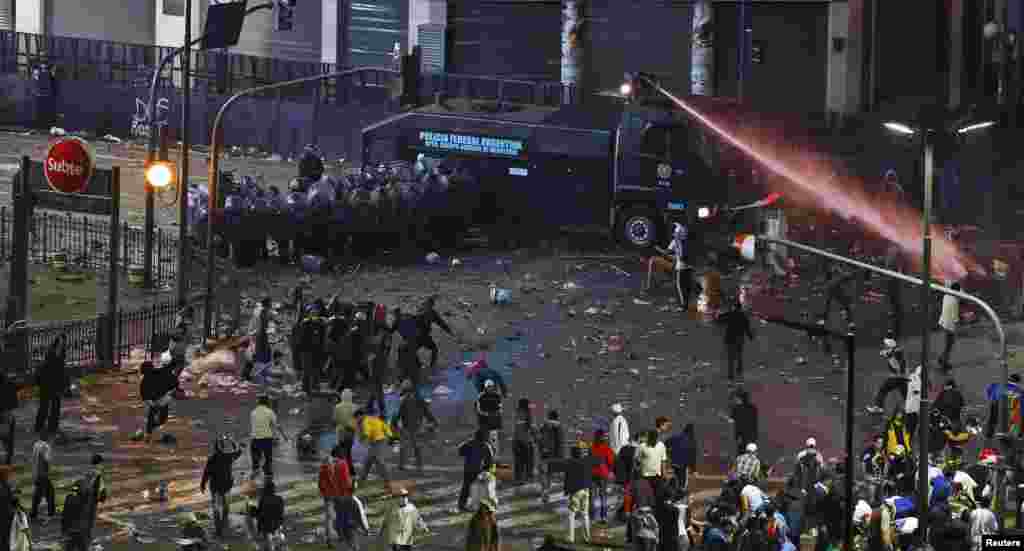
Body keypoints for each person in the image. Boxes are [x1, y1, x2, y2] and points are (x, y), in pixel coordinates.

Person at [200, 434, 243, 537]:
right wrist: (232, 441)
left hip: (215, 486)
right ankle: (224, 523)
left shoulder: (211, 459)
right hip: (226, 485)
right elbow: (239, 451)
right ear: (223, 448)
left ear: (214, 448)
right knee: (225, 504)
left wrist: (203, 484)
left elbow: (206, 473)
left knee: (215, 506)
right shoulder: (228, 457)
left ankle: (218, 528)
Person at [395, 380, 438, 473]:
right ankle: (418, 465)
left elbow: (398, 414)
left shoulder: (403, 400)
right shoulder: (419, 399)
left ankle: (402, 465)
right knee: (416, 446)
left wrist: (394, 424)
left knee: (404, 446)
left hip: (407, 426)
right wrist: (433, 420)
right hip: (416, 425)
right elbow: (426, 411)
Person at [319, 445, 353, 545]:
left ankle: (329, 538)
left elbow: (320, 482)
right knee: (341, 515)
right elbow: (346, 481)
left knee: (329, 517)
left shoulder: (325, 464)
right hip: (340, 494)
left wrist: (324, 491)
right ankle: (342, 535)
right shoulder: (343, 464)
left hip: (328, 495)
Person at [564, 442, 598, 544]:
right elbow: (596, 459)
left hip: (575, 490)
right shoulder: (588, 461)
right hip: (586, 489)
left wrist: (566, 490)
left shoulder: (570, 462)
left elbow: (568, 478)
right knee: (585, 513)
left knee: (571, 513)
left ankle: (570, 537)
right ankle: (587, 537)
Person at [251, 395, 289, 480]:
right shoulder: (270, 412)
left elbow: (256, 426)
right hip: (266, 439)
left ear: (258, 402)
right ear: (267, 402)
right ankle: (268, 474)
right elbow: (277, 425)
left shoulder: (253, 412)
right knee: (268, 458)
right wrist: (284, 436)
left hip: (255, 438)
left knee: (255, 459)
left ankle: (255, 473)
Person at [866, 337, 909, 414]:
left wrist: (888, 352)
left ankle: (878, 407)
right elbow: (884, 353)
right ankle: (912, 408)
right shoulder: (894, 351)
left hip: (896, 377)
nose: (884, 346)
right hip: (903, 378)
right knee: (906, 395)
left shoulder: (896, 352)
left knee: (883, 390)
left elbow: (891, 354)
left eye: (885, 345)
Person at [457, 429, 495, 512]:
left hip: (468, 469)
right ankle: (478, 505)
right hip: (478, 470)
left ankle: (462, 505)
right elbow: (490, 461)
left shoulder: (470, 443)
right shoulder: (485, 446)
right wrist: (486, 470)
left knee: (466, 488)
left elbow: (460, 451)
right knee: (479, 489)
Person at [414, 296, 456, 371]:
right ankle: (419, 365)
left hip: (424, 336)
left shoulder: (432, 313)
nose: (429, 306)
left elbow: (441, 323)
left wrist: (450, 332)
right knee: (414, 351)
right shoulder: (421, 312)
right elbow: (413, 322)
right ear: (426, 304)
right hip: (417, 335)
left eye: (431, 305)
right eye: (428, 304)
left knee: (434, 349)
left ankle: (431, 366)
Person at [35, 335, 66, 435]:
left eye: (63, 343)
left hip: (55, 383)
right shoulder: (51, 353)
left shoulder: (61, 353)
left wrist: (63, 385)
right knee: (44, 406)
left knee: (55, 406)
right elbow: (50, 369)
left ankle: (52, 426)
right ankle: (39, 426)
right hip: (47, 382)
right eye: (60, 343)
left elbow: (61, 371)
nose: (61, 345)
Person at [717, 301, 755, 382]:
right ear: (740, 308)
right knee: (739, 355)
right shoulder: (743, 316)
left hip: (730, 338)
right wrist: (750, 336)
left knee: (731, 357)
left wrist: (719, 313)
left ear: (734, 307)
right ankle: (739, 370)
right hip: (739, 339)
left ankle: (731, 374)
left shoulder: (730, 314)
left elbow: (719, 320)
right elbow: (747, 328)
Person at [356, 406, 393, 484]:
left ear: (360, 415)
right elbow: (384, 426)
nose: (357, 419)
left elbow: (367, 432)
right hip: (380, 441)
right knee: (369, 460)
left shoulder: (365, 421)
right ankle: (362, 479)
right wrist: (390, 436)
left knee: (378, 461)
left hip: (378, 442)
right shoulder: (372, 418)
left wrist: (362, 438)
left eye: (357, 417)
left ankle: (387, 480)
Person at [77, 454, 108, 549]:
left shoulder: (87, 472)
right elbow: (101, 488)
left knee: (84, 520)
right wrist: (102, 498)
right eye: (101, 464)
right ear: (99, 463)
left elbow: (81, 485)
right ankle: (87, 543)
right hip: (92, 500)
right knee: (90, 522)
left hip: (84, 499)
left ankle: (82, 540)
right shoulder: (97, 474)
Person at [298, 304, 328, 395]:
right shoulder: (305, 323)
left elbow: (323, 337)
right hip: (307, 350)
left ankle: (315, 386)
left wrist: (323, 349)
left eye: (315, 313)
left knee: (316, 369)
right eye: (312, 313)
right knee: (307, 370)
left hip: (317, 350)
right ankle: (305, 388)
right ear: (309, 314)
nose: (314, 314)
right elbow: (301, 338)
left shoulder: (321, 324)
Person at [538, 411, 565, 503]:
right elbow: (560, 443)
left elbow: (539, 439)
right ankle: (547, 490)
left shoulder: (544, 426)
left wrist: (541, 449)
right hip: (554, 455)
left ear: (549, 416)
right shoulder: (559, 427)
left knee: (543, 473)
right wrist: (560, 457)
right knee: (550, 473)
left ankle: (544, 490)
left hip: (544, 454)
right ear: (557, 417)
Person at [590, 430, 616, 523]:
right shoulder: (606, 448)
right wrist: (610, 471)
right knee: (603, 496)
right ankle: (603, 516)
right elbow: (611, 461)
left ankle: (592, 517)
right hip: (603, 474)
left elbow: (588, 460)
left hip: (592, 474)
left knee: (592, 496)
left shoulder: (592, 447)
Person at [253, 481, 286, 551]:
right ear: (274, 490)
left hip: (266, 527)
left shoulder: (263, 500)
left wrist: (259, 530)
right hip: (277, 525)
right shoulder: (280, 499)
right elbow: (281, 514)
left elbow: (260, 515)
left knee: (268, 545)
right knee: (277, 544)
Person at [30, 432, 55, 522]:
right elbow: (46, 459)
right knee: (49, 493)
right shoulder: (46, 446)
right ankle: (50, 513)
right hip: (43, 474)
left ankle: (34, 513)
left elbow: (34, 459)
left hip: (36, 472)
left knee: (38, 494)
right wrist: (47, 471)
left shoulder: (36, 444)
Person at [636, 430, 668, 500]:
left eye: (655, 438)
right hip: (645, 475)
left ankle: (656, 505)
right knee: (646, 494)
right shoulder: (642, 446)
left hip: (657, 475)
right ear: (649, 437)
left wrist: (664, 473)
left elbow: (663, 460)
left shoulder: (661, 445)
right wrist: (639, 470)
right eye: (652, 437)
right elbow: (637, 459)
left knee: (657, 495)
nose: (654, 440)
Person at [665, 423, 696, 492]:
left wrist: (668, 452)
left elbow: (666, 442)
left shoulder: (676, 437)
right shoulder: (691, 440)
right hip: (683, 464)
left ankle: (673, 490)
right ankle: (680, 491)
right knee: (683, 481)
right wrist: (693, 469)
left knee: (676, 477)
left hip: (674, 462)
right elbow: (692, 456)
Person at [334, 389, 357, 477]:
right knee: (348, 451)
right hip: (351, 432)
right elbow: (357, 421)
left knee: (342, 451)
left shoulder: (337, 407)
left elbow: (335, 420)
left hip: (341, 432)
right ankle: (349, 471)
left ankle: (345, 471)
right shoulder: (355, 407)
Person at [513, 398, 537, 482]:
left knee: (519, 464)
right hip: (525, 443)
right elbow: (530, 427)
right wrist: (536, 438)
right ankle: (528, 479)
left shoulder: (518, 414)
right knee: (528, 463)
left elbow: (518, 429)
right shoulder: (527, 414)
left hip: (517, 442)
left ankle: (519, 479)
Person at [939, 283, 962, 371]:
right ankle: (944, 362)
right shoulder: (955, 301)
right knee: (949, 345)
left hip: (943, 322)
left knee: (948, 344)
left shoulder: (946, 295)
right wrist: (957, 326)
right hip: (949, 325)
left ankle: (942, 358)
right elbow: (955, 317)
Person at [476, 380, 503, 452]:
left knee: (494, 440)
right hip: (484, 422)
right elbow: (478, 409)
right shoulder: (481, 396)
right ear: (485, 387)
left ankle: (495, 456)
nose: (490, 388)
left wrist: (497, 413)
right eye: (488, 387)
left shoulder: (497, 396)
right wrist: (486, 414)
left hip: (494, 422)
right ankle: (486, 455)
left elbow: (500, 407)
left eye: (491, 387)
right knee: (485, 440)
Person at [731, 389, 758, 456]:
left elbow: (737, 423)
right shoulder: (753, 408)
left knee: (742, 453)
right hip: (752, 435)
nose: (734, 400)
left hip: (742, 436)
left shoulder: (736, 409)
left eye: (735, 398)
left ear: (739, 398)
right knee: (750, 454)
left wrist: (738, 436)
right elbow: (753, 422)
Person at [61, 481, 84, 551]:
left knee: (70, 546)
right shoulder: (83, 499)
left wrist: (63, 529)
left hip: (71, 529)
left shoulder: (69, 498)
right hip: (79, 529)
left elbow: (64, 514)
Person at [0, 371, 16, 465]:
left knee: (7, 439)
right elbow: (14, 403)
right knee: (8, 439)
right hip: (7, 413)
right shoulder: (10, 384)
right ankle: (8, 460)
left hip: (5, 413)